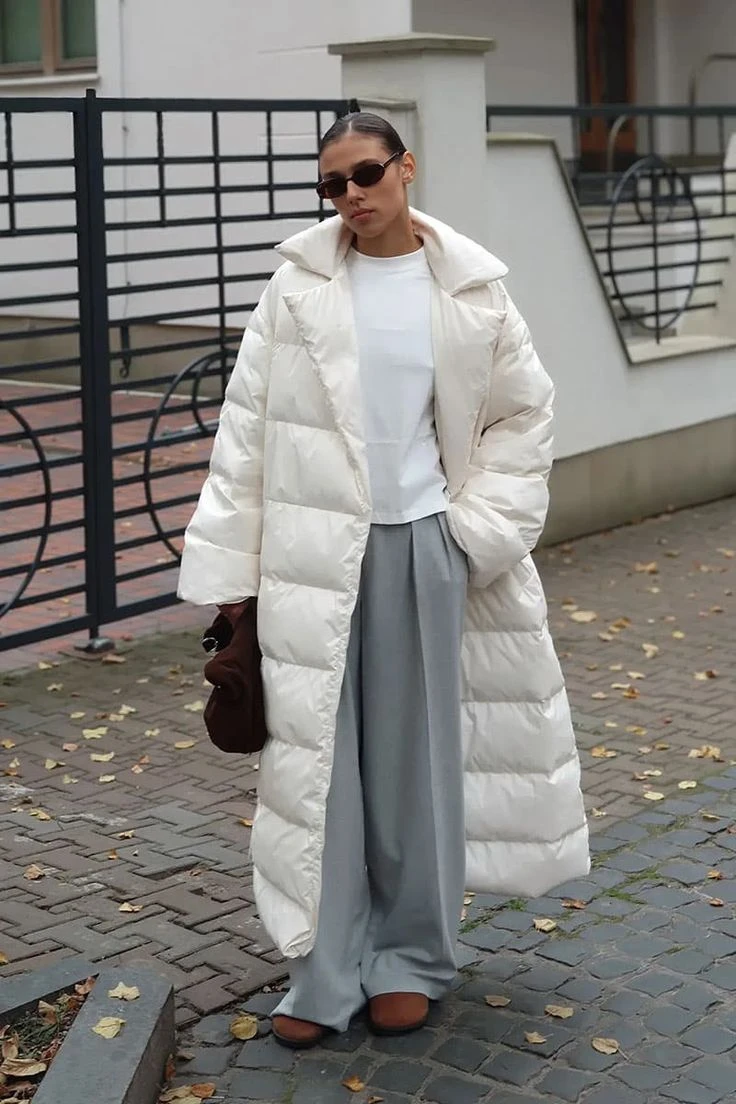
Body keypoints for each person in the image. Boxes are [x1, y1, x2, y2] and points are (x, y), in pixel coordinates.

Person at [178, 112, 590, 1049]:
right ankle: (324, 971)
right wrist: (235, 576)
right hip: (310, 556)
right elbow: (246, 434)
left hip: (423, 549)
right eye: (333, 184)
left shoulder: (472, 290)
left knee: (414, 766)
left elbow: (523, 418)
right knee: (317, 768)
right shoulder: (298, 288)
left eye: (366, 174)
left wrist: (470, 534)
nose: (351, 196)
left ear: (407, 167)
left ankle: (411, 957)